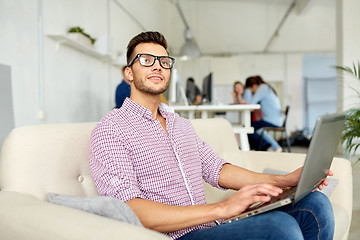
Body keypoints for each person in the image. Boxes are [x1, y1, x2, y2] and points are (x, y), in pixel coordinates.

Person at [89, 31, 334, 240]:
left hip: (212, 226)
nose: (157, 66)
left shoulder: (180, 125)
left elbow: (218, 170)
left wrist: (285, 181)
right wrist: (223, 208)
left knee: (316, 204)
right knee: (280, 227)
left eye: (164, 61)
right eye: (146, 60)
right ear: (129, 73)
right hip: (177, 235)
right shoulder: (112, 129)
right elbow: (128, 209)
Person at [243, 76, 283, 152]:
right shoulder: (266, 87)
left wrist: (247, 93)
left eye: (251, 90)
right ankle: (267, 146)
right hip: (274, 120)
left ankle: (269, 146)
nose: (252, 92)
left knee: (249, 127)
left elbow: (251, 104)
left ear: (254, 85)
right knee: (254, 127)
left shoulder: (262, 88)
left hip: (272, 121)